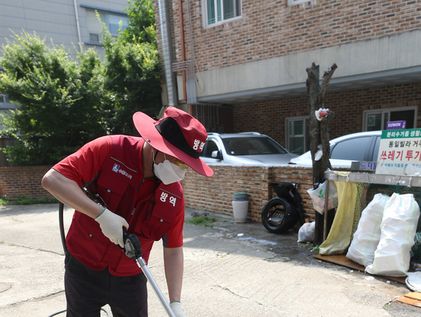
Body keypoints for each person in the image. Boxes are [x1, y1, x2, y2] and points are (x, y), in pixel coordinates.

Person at [41, 106, 214, 317]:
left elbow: (174, 249)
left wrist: (175, 302)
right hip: (83, 266)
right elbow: (53, 180)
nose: (181, 172)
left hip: (131, 277)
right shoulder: (110, 150)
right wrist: (101, 215)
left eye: (186, 166)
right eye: (178, 161)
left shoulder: (174, 194)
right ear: (156, 145)